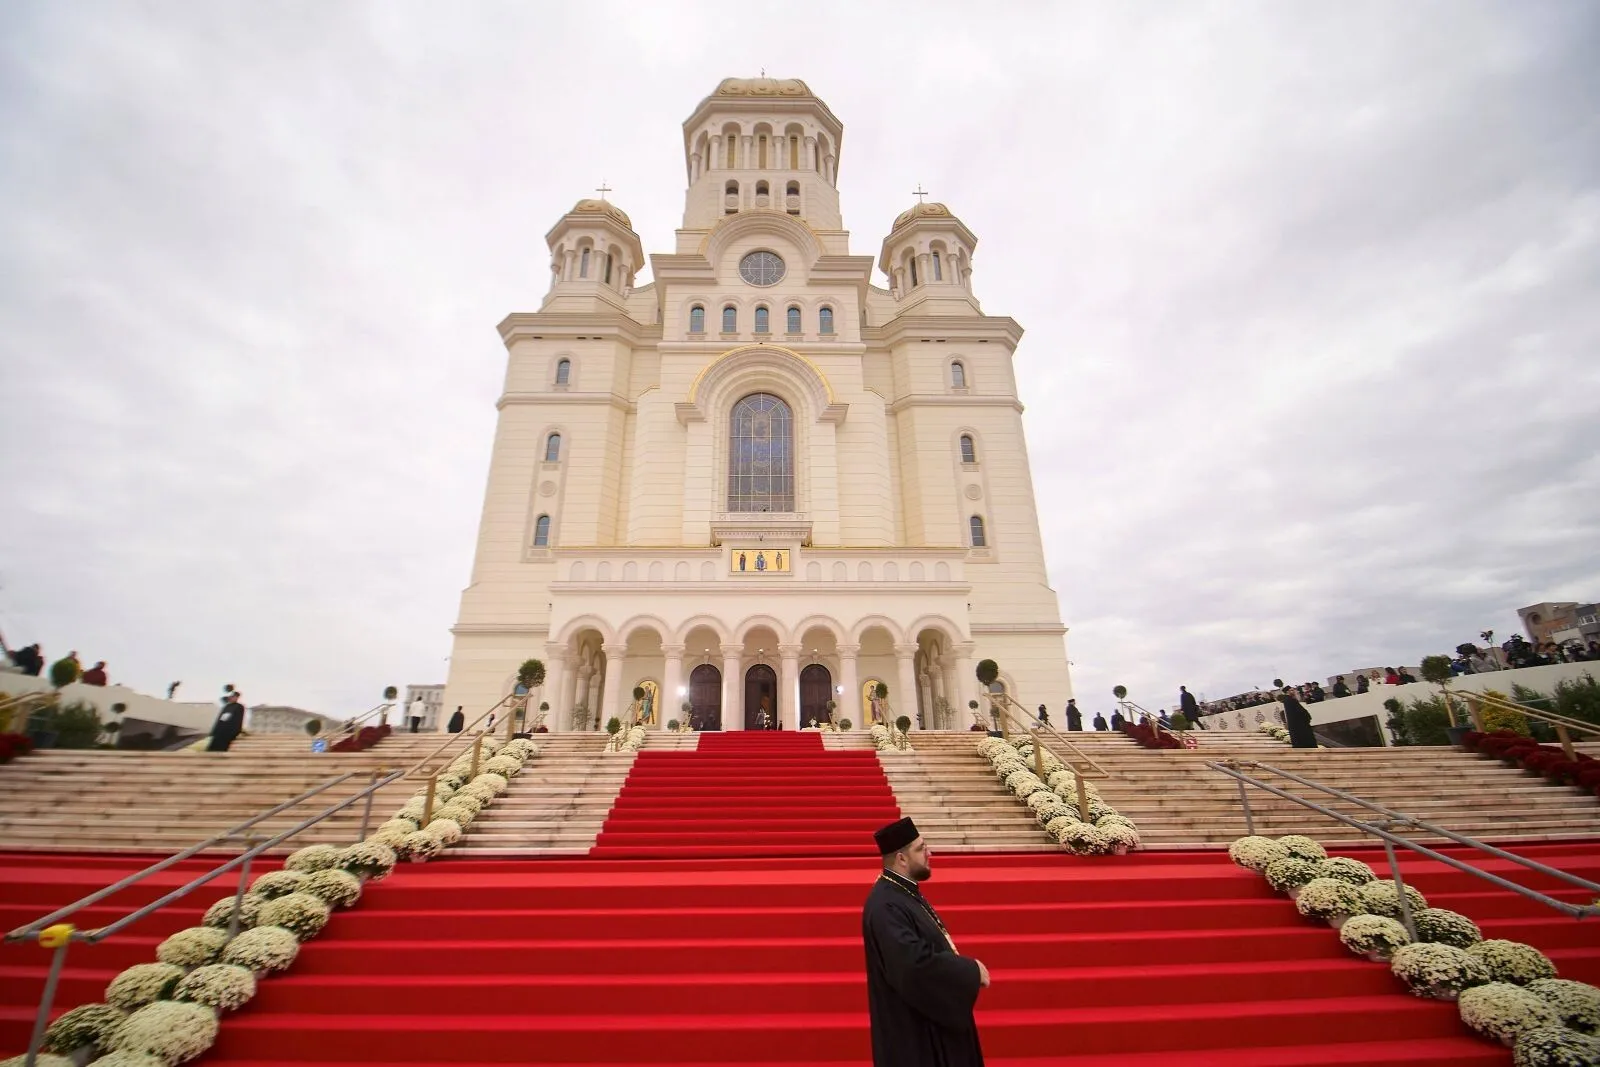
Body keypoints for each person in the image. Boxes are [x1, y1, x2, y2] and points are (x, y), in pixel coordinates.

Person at [862, 817, 987, 1066]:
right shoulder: (886, 904)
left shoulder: (902, 892)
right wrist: (971, 971)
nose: (929, 853)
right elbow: (911, 966)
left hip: (924, 1024)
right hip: (914, 1035)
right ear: (901, 858)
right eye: (921, 848)